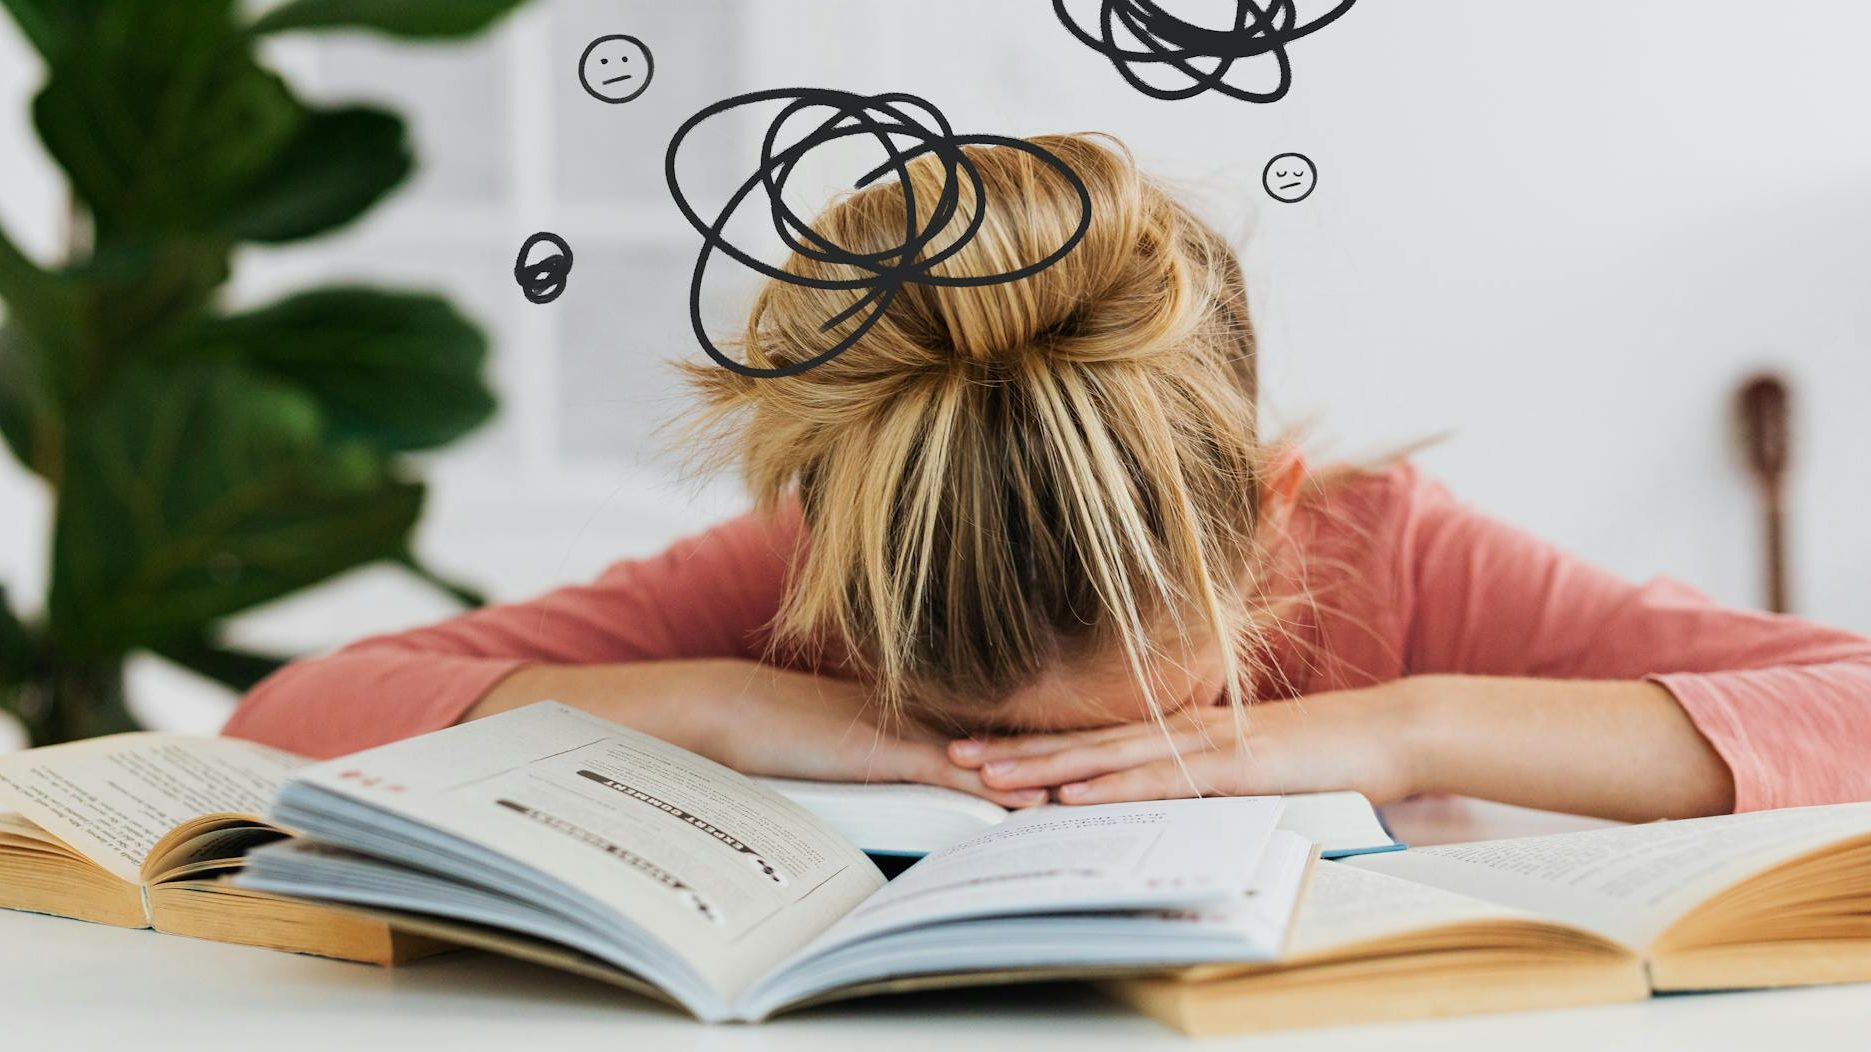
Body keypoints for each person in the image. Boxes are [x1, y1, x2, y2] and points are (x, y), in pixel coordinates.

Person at [225, 133, 1871, 821]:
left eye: (1154, 737)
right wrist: (721, 707)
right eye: (988, 743)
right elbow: (291, 714)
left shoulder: (1395, 563)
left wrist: (1404, 724)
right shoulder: (805, 580)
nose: (1059, 797)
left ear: (1271, 515)